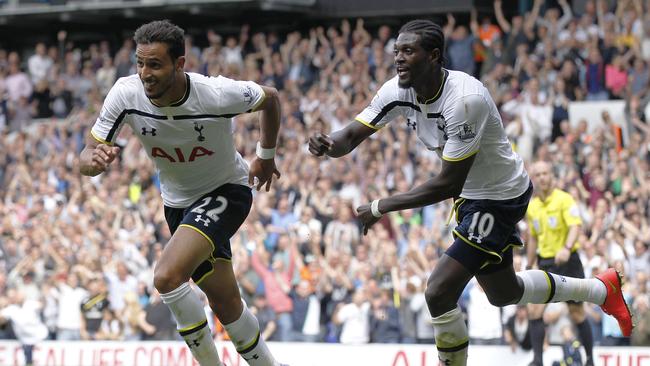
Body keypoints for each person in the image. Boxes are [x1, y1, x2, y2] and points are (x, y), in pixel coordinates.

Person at [308, 19, 633, 366]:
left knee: (438, 290)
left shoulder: (465, 99)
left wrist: (380, 205)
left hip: (499, 195)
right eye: (396, 51)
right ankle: (602, 289)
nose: (398, 59)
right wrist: (329, 144)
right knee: (503, 293)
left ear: (434, 56)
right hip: (473, 196)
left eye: (408, 51)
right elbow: (351, 135)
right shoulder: (397, 90)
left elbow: (448, 182)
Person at [79, 20, 286, 366]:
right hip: (178, 206)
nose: (145, 73)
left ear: (179, 64)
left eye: (155, 64)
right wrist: (92, 161)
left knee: (166, 276)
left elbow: (271, 98)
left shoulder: (216, 94)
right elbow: (87, 155)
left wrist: (265, 157)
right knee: (226, 304)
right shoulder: (125, 94)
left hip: (227, 191)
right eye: (140, 63)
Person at [526, 161, 596, 366]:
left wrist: (566, 247)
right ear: (534, 179)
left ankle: (590, 359)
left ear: (552, 176)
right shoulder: (532, 207)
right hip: (545, 263)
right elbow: (532, 237)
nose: (542, 177)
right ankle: (537, 360)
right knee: (534, 310)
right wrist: (530, 264)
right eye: (537, 174)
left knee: (577, 313)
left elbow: (575, 226)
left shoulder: (564, 199)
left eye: (545, 173)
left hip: (568, 262)